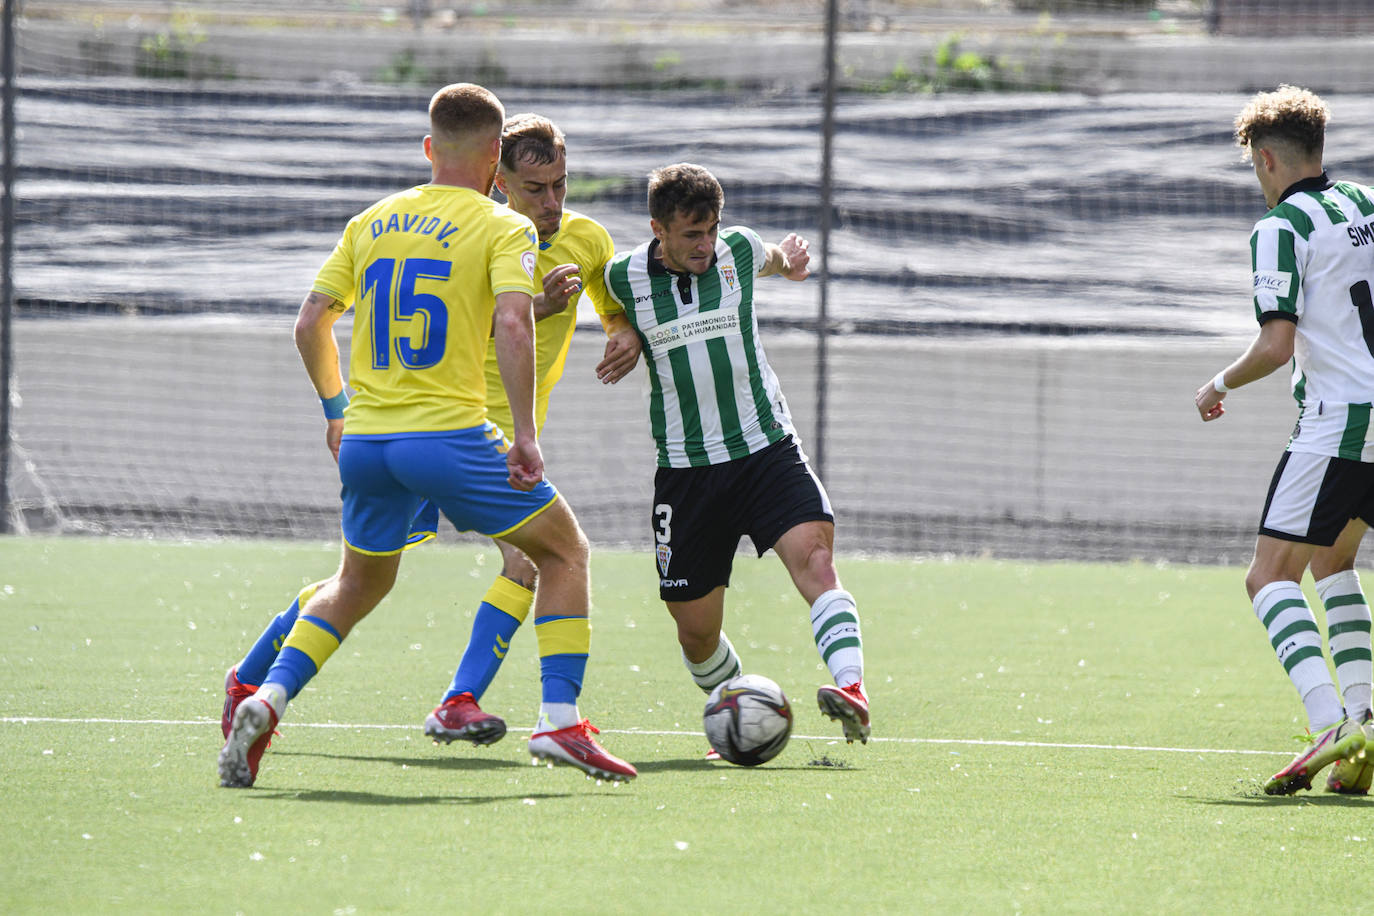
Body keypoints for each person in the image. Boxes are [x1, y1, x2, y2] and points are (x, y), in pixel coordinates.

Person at [218, 84, 636, 787]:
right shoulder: (502, 228)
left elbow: (308, 322)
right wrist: (526, 436)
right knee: (565, 551)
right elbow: (509, 322)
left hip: (367, 441)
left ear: (427, 149)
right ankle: (560, 720)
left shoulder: (372, 220)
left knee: (358, 582)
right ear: (494, 166)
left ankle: (266, 694)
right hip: (450, 436)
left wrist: (335, 410)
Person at [601, 162, 871, 746]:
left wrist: (791, 262)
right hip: (686, 473)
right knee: (695, 633)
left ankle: (851, 688)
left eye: (712, 230)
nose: (705, 245)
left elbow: (770, 255)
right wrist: (620, 330)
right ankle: (740, 701)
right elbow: (609, 302)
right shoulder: (623, 275)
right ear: (658, 229)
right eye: (691, 235)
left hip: (764, 451)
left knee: (817, 561)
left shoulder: (738, 251)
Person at [1194, 84, 1374, 795]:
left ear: (1266, 159)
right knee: (1334, 562)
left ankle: (1330, 720)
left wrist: (1219, 385)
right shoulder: (1366, 204)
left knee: (1268, 576)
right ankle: (1362, 724)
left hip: (1340, 418)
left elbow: (1275, 345)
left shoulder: (1279, 227)